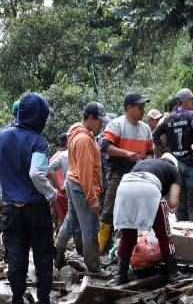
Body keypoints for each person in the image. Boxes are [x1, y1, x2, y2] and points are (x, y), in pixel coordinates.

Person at [0, 92, 57, 304]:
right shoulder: (39, 141)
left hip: (11, 209)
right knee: (43, 256)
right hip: (37, 209)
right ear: (39, 116)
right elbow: (36, 174)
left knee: (16, 258)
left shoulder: (1, 137)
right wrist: (50, 194)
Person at [113, 156, 181, 285]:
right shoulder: (173, 171)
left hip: (124, 188)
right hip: (149, 188)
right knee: (164, 235)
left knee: (127, 237)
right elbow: (173, 202)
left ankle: (121, 277)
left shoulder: (143, 163)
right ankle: (174, 274)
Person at [99, 92, 154, 253]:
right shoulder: (116, 124)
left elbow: (150, 151)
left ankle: (129, 247)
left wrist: (146, 162)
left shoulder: (145, 128)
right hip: (118, 172)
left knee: (135, 210)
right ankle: (100, 248)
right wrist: (127, 153)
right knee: (109, 208)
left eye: (143, 107)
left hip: (138, 174)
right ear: (129, 108)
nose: (143, 110)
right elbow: (105, 146)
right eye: (139, 107)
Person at [59, 102, 107, 277]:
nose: (101, 124)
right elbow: (86, 172)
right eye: (99, 120)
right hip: (82, 185)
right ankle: (94, 268)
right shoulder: (84, 139)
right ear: (90, 118)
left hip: (73, 182)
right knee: (90, 227)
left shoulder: (77, 131)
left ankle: (57, 253)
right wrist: (92, 199)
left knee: (71, 221)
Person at [153, 88, 193, 221]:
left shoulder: (168, 118)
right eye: (192, 100)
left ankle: (183, 232)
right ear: (186, 101)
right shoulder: (192, 115)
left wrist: (165, 151)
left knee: (181, 203)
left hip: (176, 165)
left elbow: (155, 135)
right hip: (192, 163)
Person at [47, 133, 69, 238]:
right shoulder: (69, 155)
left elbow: (49, 175)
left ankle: (59, 240)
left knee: (59, 219)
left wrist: (54, 190)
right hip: (67, 191)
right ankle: (62, 242)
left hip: (57, 192)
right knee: (69, 220)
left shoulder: (53, 157)